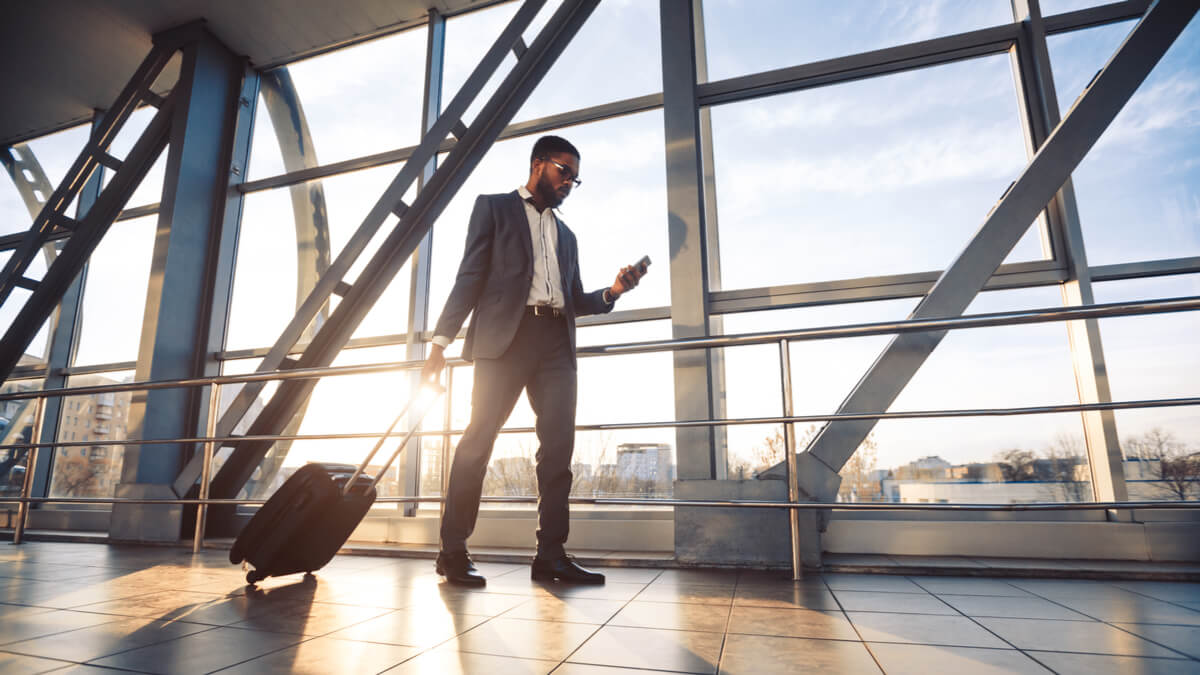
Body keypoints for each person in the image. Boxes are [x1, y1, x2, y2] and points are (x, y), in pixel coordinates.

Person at [420, 135, 645, 587]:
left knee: (558, 450)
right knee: (477, 443)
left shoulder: (568, 236)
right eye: (564, 171)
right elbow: (469, 276)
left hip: (556, 344)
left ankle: (551, 555)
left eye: (575, 179)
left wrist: (613, 292)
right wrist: (439, 344)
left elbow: (574, 298)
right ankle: (453, 550)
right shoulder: (493, 208)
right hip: (506, 338)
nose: (568, 183)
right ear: (538, 163)